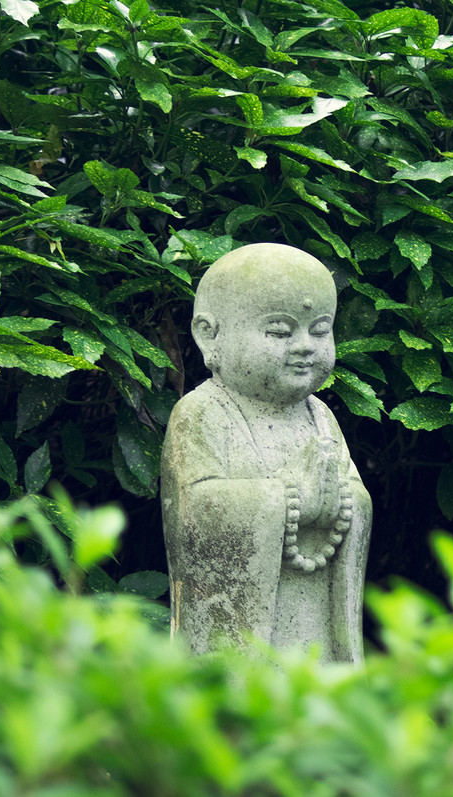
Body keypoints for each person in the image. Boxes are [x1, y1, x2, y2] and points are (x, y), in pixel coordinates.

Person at [160, 243, 371, 662]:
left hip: (312, 618)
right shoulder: (201, 412)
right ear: (209, 334)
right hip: (241, 634)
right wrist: (290, 498)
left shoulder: (320, 416)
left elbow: (355, 498)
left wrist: (344, 499)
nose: (305, 346)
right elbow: (192, 511)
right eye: (280, 332)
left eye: (320, 330)